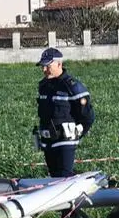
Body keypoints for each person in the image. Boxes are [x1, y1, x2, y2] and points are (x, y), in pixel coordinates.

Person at [34, 48, 95, 177]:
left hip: (65, 141)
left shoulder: (72, 86)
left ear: (59, 64)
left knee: (63, 178)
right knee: (54, 177)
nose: (44, 70)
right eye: (42, 66)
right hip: (48, 141)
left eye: (47, 66)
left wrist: (77, 134)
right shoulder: (43, 86)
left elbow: (88, 117)